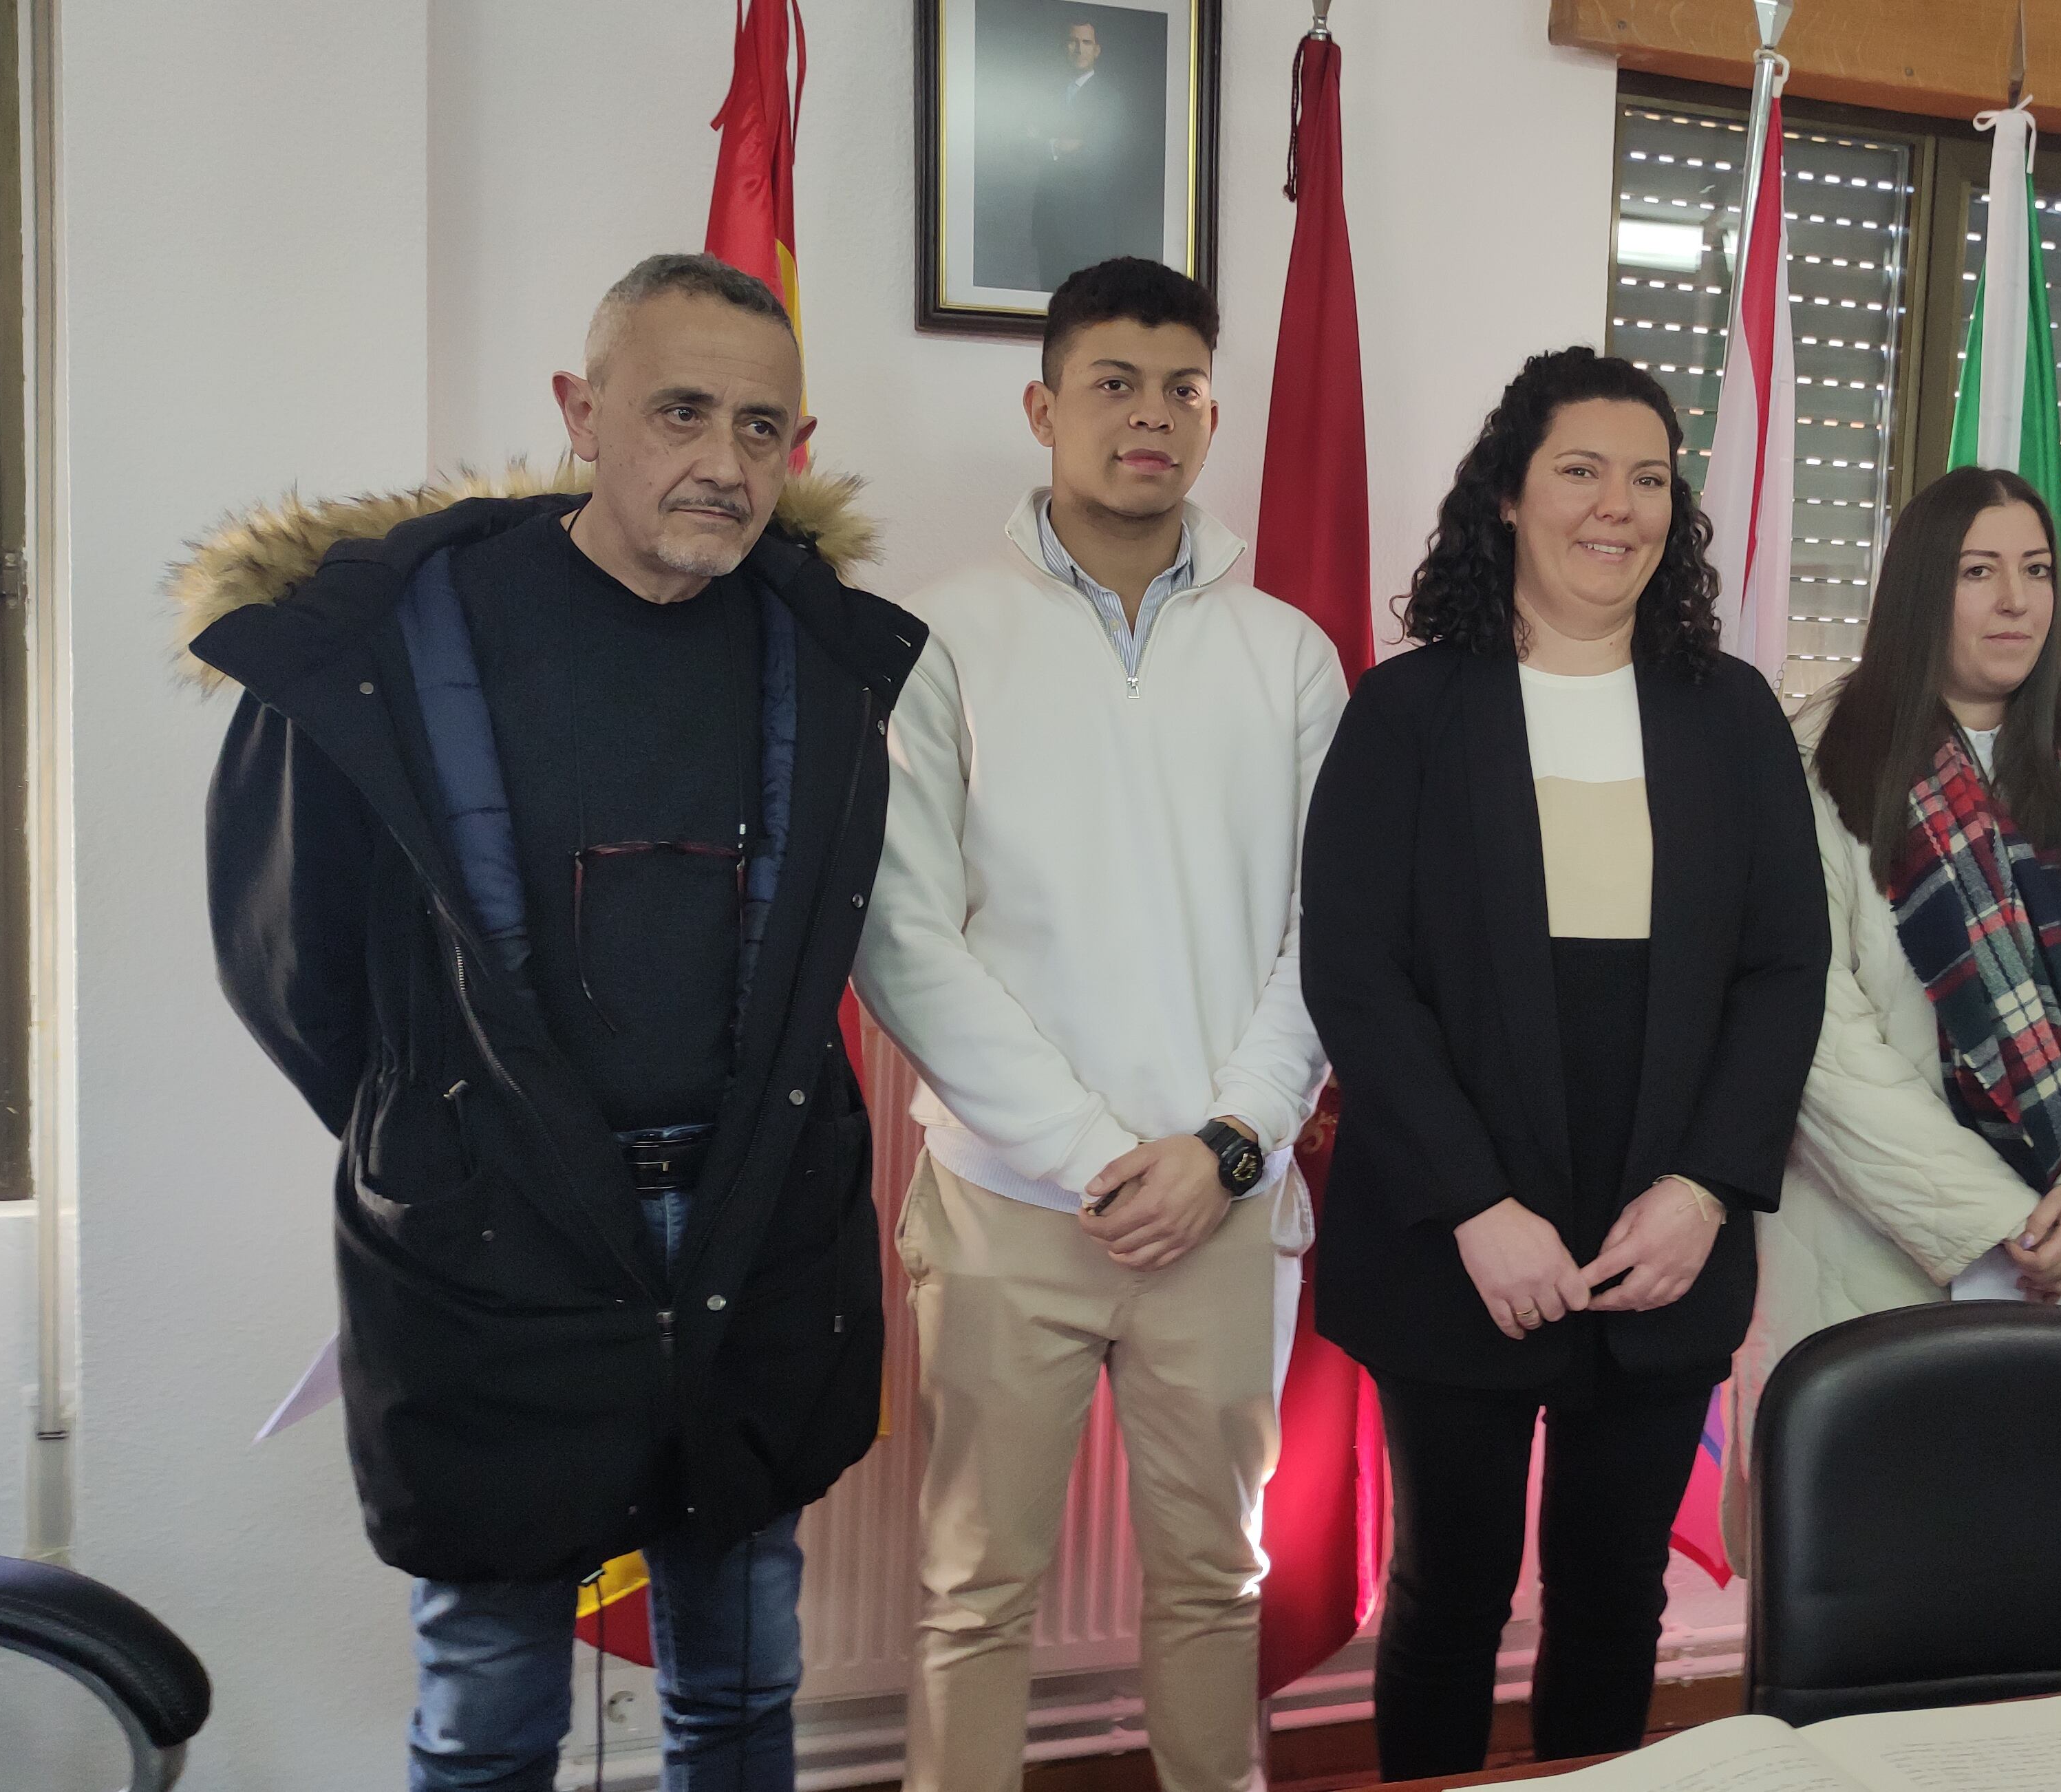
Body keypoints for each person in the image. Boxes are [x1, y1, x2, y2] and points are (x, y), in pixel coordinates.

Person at [184, 253, 923, 1790]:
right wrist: (461, 1137)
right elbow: (294, 968)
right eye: (680, 412)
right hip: (488, 1252)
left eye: (762, 428)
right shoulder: (387, 643)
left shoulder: (825, 655)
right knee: (489, 1716)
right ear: (581, 413)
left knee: (737, 1696)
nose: (723, 464)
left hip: (749, 1245)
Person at [1299, 346, 1829, 1778]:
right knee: (1447, 1595)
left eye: (1648, 477)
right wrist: (1476, 1204)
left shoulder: (1730, 717)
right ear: (1508, 501)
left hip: (1662, 1238)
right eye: (1580, 471)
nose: (1619, 507)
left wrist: (1707, 1190)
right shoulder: (1405, 713)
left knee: (1613, 1600)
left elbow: (1784, 971)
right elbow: (1355, 976)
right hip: (1453, 1239)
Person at [854, 256, 1341, 1792]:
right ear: (1041, 405)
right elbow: (899, 935)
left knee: (1215, 1588)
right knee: (970, 1596)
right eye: (1112, 384)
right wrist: (1084, 1154)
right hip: (1011, 1205)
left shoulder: (1289, 657)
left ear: (1212, 413)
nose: (1150, 415)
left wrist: (1224, 1144)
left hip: (1218, 1204)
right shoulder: (935, 640)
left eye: (1180, 387)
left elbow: (1329, 939)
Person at [1727, 464, 2061, 1561]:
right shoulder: (1815, 760)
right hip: (1878, 1257)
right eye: (1979, 571)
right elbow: (1812, 1035)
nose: (2018, 600)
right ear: (1919, 590)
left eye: (2038, 571)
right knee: (1879, 1586)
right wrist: (2001, 1222)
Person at [1031, 17, 1132, 286]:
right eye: (1073, 42)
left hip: (1089, 230)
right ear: (1064, 46)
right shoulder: (1045, 94)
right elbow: (1020, 144)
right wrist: (1061, 145)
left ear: (1097, 50)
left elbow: (1094, 155)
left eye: (1086, 42)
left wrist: (1046, 143)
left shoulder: (1110, 99)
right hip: (1048, 225)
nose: (1079, 49)